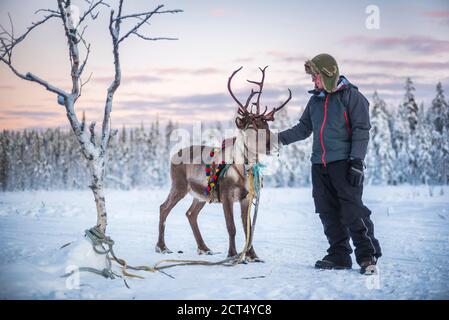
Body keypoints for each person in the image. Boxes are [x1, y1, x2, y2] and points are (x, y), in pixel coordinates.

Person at [276, 53, 382, 275]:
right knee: (327, 210)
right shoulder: (315, 100)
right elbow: (303, 129)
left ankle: (367, 256)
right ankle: (339, 254)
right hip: (319, 165)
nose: (313, 81)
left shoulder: (352, 97)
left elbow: (362, 131)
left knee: (353, 210)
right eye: (312, 77)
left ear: (328, 74)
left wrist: (356, 161)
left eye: (315, 76)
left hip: (344, 163)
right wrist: (276, 139)